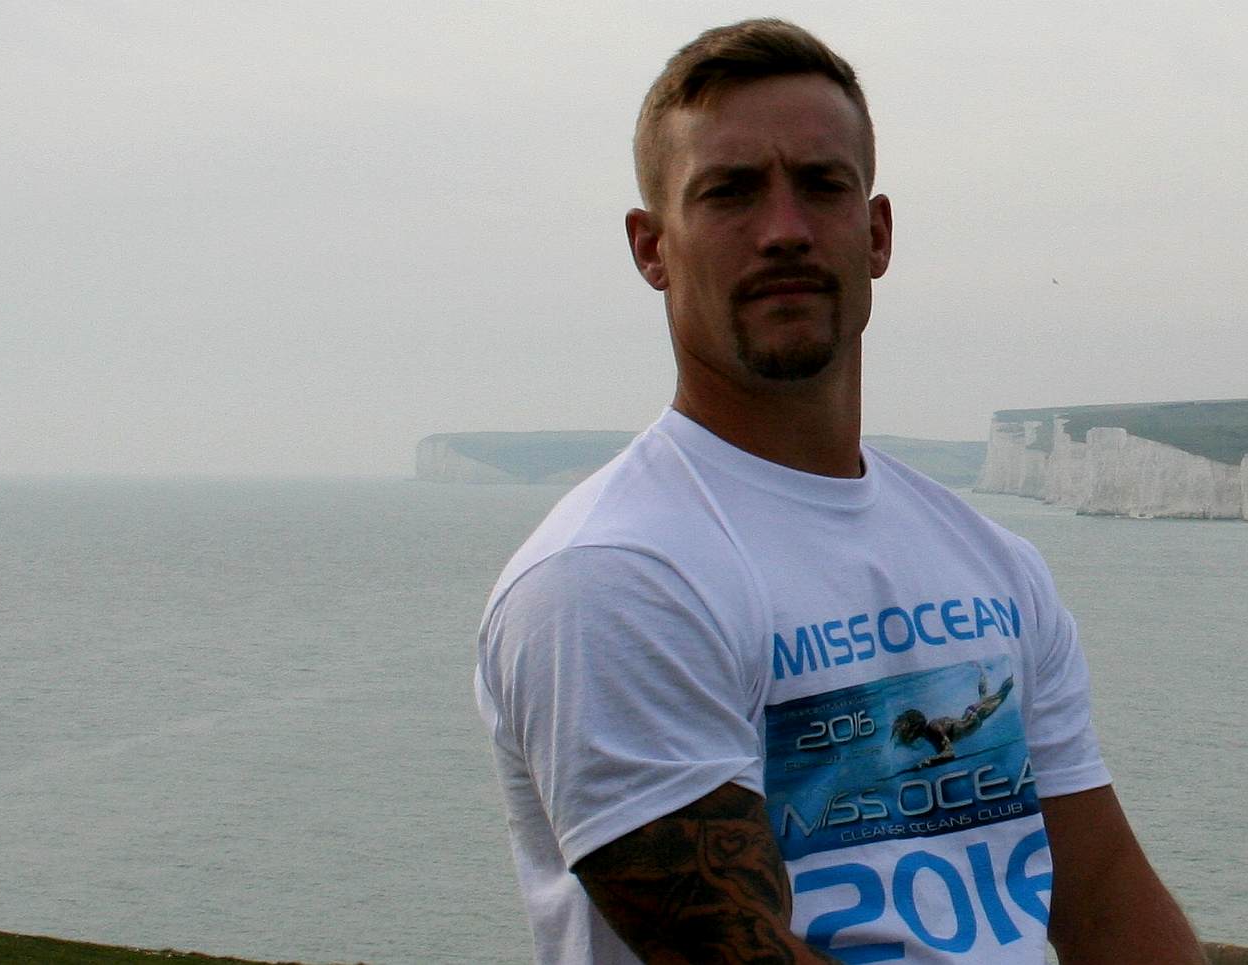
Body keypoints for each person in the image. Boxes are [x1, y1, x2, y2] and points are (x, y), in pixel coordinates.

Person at [474, 18, 1203, 964]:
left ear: (877, 232)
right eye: (730, 193)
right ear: (652, 248)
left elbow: (1101, 892)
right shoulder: (610, 576)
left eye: (822, 185)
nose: (783, 230)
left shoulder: (991, 562)